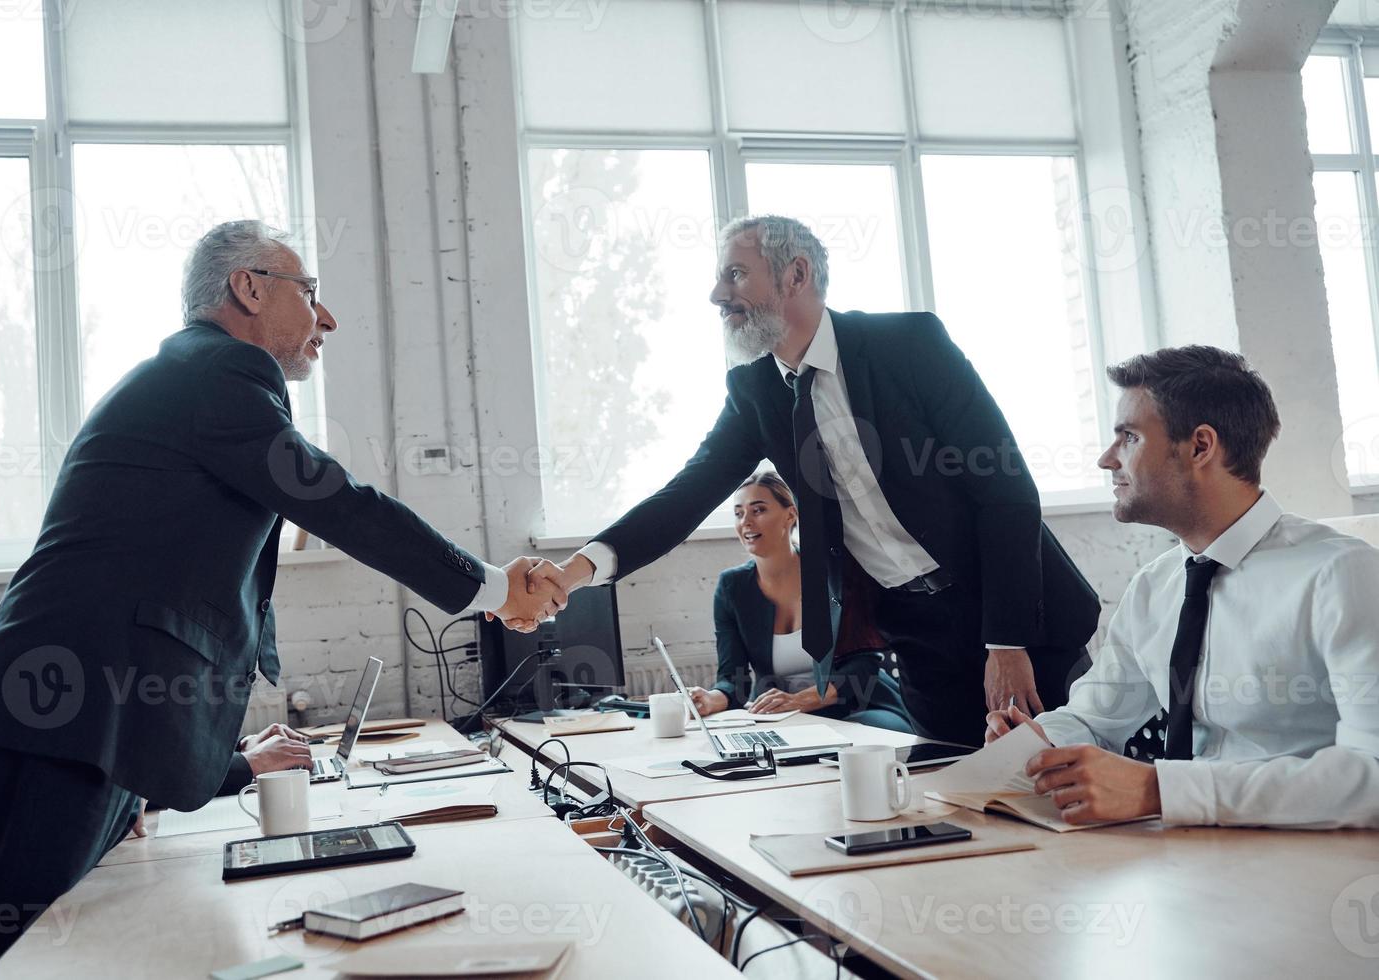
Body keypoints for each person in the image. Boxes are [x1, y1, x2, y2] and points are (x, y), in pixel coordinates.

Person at [0, 220, 564, 979]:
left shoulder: (196, 381)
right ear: (248, 289)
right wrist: (491, 587)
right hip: (65, 711)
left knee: (64, 951)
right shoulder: (218, 372)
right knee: (17, 959)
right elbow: (340, 502)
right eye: (311, 292)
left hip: (91, 719)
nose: (327, 319)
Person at [525, 215, 1100, 747]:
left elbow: (1006, 491)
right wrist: (574, 573)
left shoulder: (910, 346)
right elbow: (687, 493)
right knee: (960, 803)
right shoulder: (755, 390)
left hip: (1019, 616)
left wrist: (1005, 642)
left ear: (795, 274)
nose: (717, 294)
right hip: (917, 633)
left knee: (1066, 793)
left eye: (735, 274)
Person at [986, 346, 1379, 829]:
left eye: (1128, 437)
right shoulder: (1156, 586)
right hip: (1183, 859)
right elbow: (1094, 716)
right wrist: (1034, 744)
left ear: (1200, 446)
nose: (1106, 460)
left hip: (1307, 867)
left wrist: (1159, 789)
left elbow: (1373, 773)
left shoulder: (1343, 574)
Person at [687, 472, 912, 732]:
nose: (746, 522)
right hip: (785, 717)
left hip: (860, 705)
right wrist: (712, 699)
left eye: (758, 510)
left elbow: (864, 663)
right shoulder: (732, 587)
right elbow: (733, 679)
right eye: (738, 514)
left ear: (790, 514)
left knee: (862, 743)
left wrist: (801, 700)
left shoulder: (834, 573)